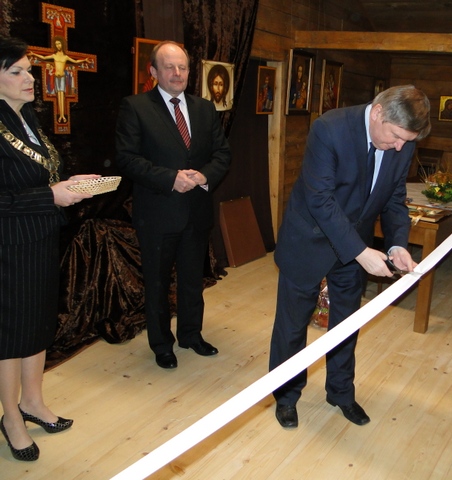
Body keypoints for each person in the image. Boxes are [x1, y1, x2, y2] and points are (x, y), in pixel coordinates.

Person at [269, 85, 431, 429]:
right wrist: (360, 252)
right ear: (378, 113)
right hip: (309, 239)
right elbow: (320, 200)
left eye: (407, 141)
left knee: (346, 325)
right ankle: (286, 395)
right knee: (292, 325)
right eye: (396, 137)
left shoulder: (401, 142)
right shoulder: (329, 128)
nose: (400, 147)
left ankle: (341, 392)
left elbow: (394, 198)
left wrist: (397, 245)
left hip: (356, 244)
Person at [0, 36, 99, 462]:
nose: (30, 78)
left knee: (38, 325)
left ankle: (32, 401)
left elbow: (36, 177)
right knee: (11, 335)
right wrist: (50, 196)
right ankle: (11, 417)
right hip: (9, 245)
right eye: (17, 71)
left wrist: (68, 186)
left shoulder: (25, 119)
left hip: (39, 237)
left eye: (29, 70)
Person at [115, 41, 231, 370]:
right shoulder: (136, 107)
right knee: (157, 283)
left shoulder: (204, 108)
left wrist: (204, 176)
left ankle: (191, 335)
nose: (177, 73)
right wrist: (170, 178)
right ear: (153, 71)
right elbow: (126, 158)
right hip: (157, 213)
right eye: (169, 67)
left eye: (183, 67)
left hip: (196, 211)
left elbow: (222, 154)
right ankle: (162, 344)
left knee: (193, 280)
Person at [28, 36, 91, 123]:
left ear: (62, 45)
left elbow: (75, 62)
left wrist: (84, 60)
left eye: (59, 44)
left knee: (62, 95)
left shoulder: (65, 57)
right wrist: (34, 54)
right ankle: (61, 115)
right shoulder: (54, 56)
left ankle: (62, 115)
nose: (58, 45)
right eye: (56, 44)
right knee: (58, 96)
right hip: (56, 77)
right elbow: (43, 58)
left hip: (62, 77)